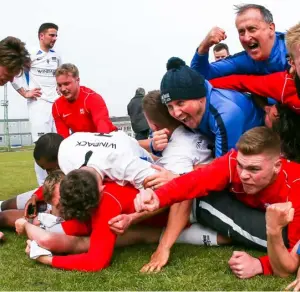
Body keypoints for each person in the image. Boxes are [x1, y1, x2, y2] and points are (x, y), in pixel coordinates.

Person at [134, 127, 300, 278]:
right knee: (198, 183)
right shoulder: (231, 162)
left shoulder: (295, 186)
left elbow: (292, 259)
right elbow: (196, 181)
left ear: (277, 166)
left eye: (254, 169)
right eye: (241, 166)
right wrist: (157, 197)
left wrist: (260, 264)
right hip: (252, 214)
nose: (243, 175)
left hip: (285, 230)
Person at [158, 57, 264, 158]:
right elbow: (162, 138)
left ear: (200, 97)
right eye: (170, 106)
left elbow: (225, 169)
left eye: (180, 103)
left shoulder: (226, 115)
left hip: (265, 140)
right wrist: (155, 146)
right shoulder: (188, 112)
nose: (176, 113)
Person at [11, 23, 62, 186]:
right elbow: (15, 75)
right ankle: (43, 187)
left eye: (56, 35)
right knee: (42, 146)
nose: (54, 38)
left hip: (56, 105)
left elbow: (60, 76)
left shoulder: (57, 56)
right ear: (41, 36)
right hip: (38, 105)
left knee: (59, 145)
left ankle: (60, 184)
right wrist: (25, 92)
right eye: (51, 35)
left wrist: (60, 90)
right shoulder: (31, 54)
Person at [191, 4, 288, 79]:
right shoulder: (242, 61)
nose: (246, 38)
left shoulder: (293, 46)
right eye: (241, 32)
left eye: (252, 29)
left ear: (271, 28)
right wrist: (204, 46)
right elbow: (199, 76)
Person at [52, 63, 117, 138]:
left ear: (78, 80)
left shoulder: (92, 98)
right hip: (84, 142)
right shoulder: (57, 106)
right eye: (59, 85)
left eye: (66, 84)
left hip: (110, 139)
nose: (62, 89)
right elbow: (63, 136)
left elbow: (103, 129)